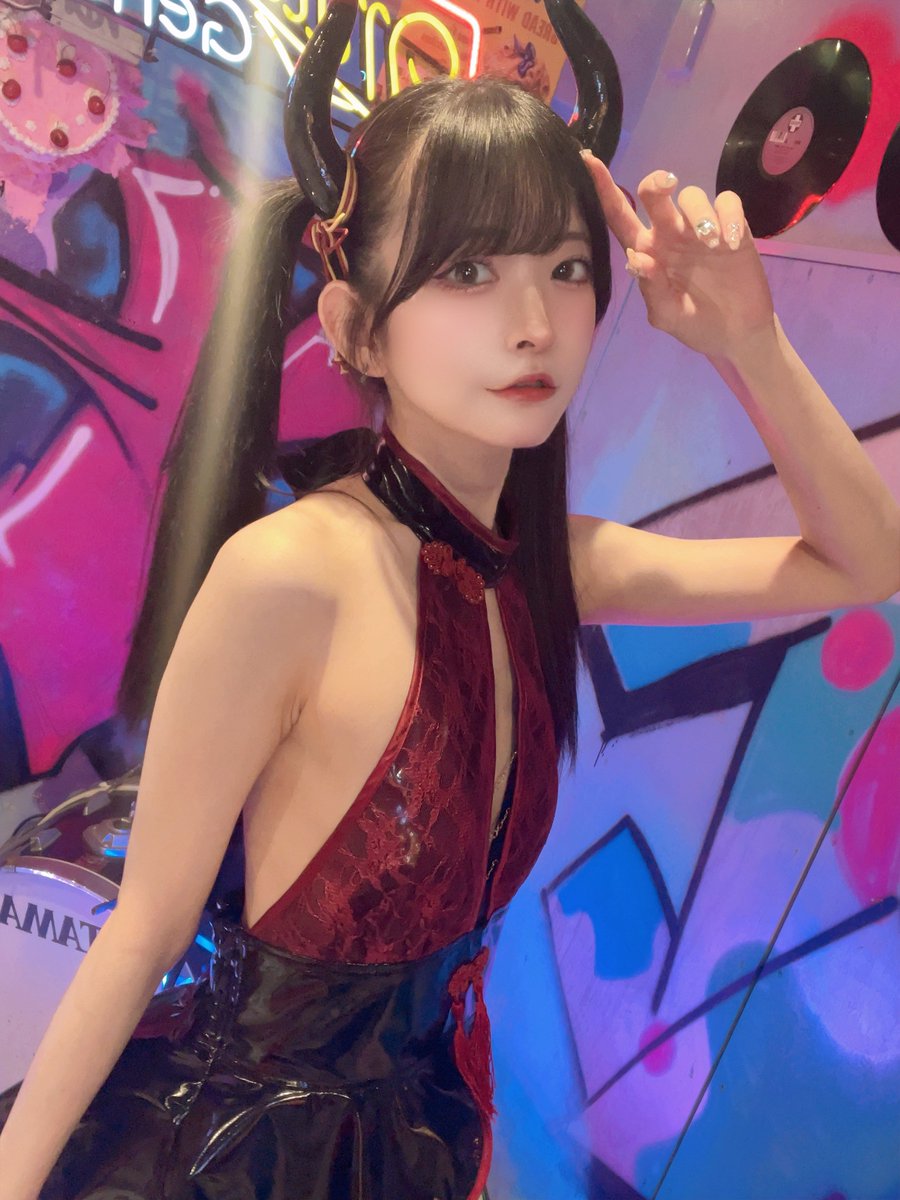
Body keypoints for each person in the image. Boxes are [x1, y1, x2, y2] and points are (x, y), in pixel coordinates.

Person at [1, 0, 898, 1192]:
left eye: (565, 269)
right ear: (357, 330)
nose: (532, 323)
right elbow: (143, 935)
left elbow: (864, 559)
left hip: (425, 1130)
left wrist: (749, 340)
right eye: (469, 269)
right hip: (244, 1156)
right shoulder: (292, 574)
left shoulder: (550, 561)